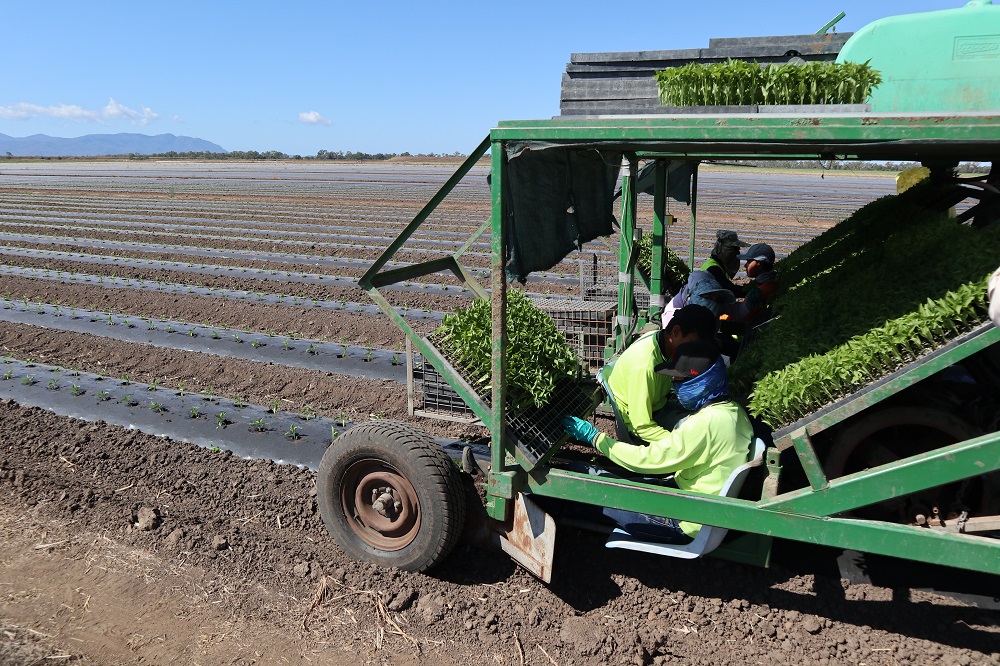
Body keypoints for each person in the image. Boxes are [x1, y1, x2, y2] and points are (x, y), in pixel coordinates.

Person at [563, 340, 754, 543]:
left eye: (679, 380)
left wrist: (596, 438)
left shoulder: (705, 425)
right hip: (697, 504)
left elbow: (646, 461)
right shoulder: (734, 411)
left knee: (589, 491)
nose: (674, 385)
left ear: (699, 381)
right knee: (591, 475)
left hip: (684, 524)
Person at [603, 304, 717, 445]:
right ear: (676, 332)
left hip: (660, 406)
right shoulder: (644, 366)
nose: (697, 350)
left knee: (707, 422)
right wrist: (680, 444)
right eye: (695, 344)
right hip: (639, 428)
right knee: (698, 436)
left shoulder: (663, 342)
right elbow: (641, 426)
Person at [721, 242, 778, 324]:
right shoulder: (770, 283)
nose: (745, 266)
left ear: (759, 264)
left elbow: (741, 316)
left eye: (748, 262)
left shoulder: (759, 292)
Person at [701, 230, 751, 298]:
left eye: (737, 250)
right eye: (733, 249)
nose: (736, 253)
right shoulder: (713, 268)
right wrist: (753, 291)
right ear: (722, 249)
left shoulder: (720, 267)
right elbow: (730, 290)